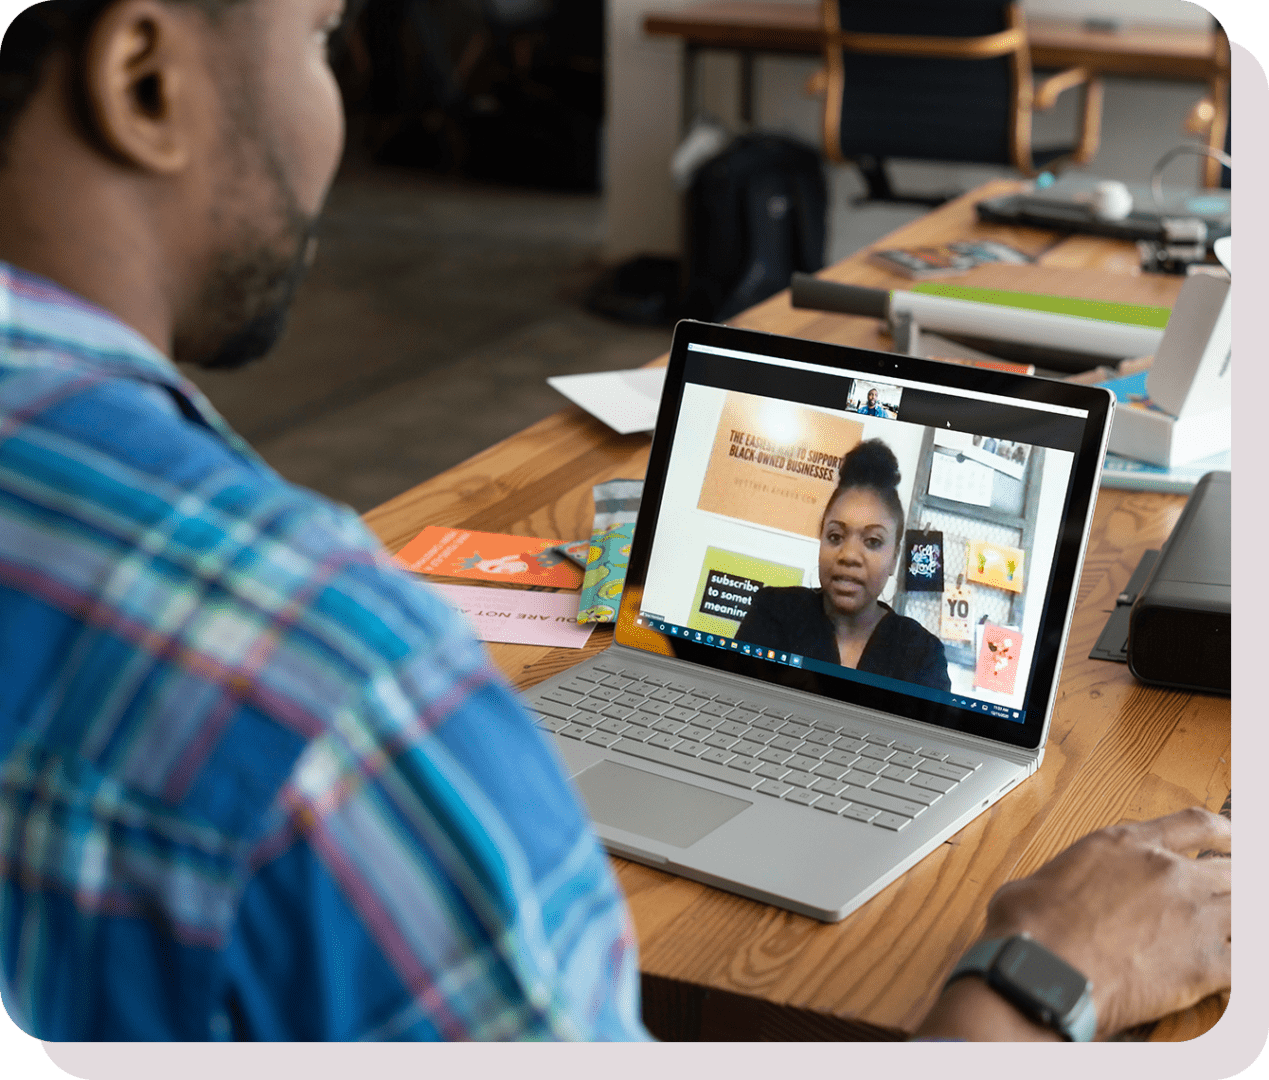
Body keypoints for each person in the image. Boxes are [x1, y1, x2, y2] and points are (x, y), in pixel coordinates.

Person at [0, 0, 1230, 1043]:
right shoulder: (329, 691)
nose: (847, 556)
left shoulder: (920, 657)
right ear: (143, 80)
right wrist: (1037, 975)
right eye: (324, 34)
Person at [737, 440, 950, 691]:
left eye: (872, 541)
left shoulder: (922, 656)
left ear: (894, 558)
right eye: (835, 537)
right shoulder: (774, 614)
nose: (849, 555)